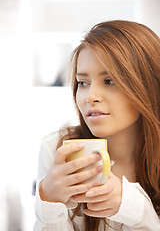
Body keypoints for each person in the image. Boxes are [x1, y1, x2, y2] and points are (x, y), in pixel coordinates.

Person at [33, 20, 160, 231]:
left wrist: (134, 207)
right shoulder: (57, 148)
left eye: (109, 81)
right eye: (83, 83)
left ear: (148, 85)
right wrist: (49, 202)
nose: (90, 97)